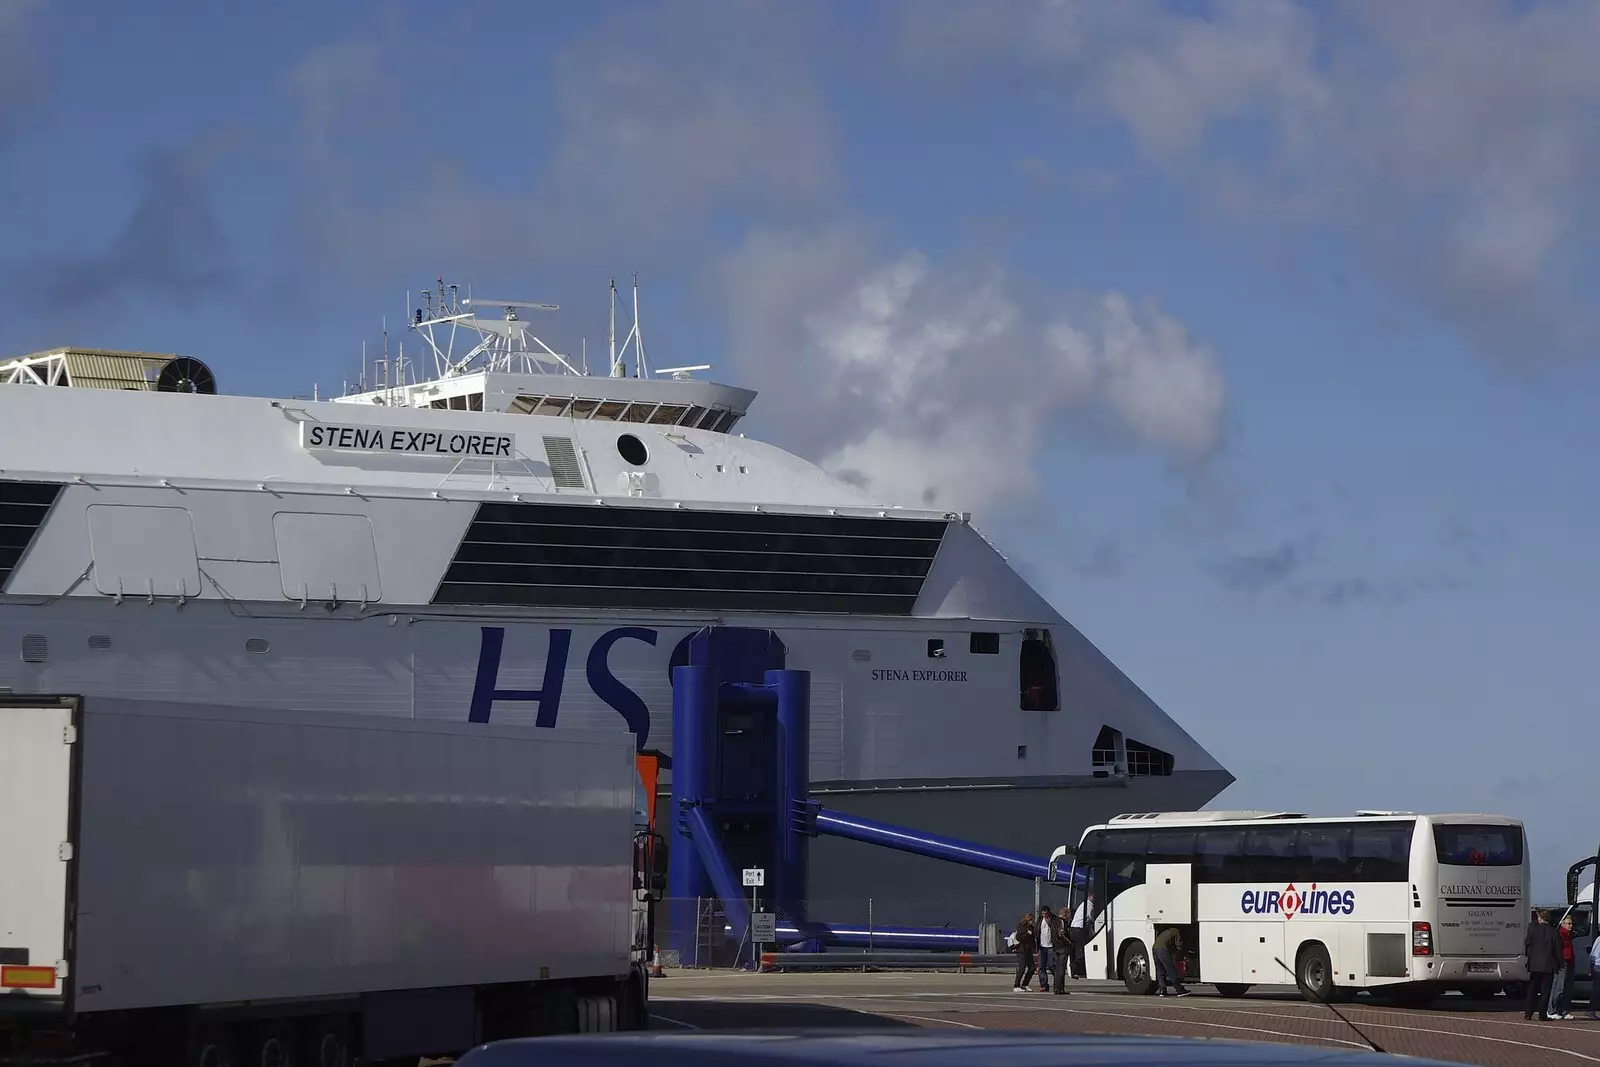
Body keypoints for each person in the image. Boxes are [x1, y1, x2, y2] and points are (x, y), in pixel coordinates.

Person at [1524, 908, 1562, 1021]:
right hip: (1548, 965)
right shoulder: (1553, 932)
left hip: (1535, 964)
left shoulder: (1533, 930)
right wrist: (1560, 963)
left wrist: (1530, 958)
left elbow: (1527, 945)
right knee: (1545, 992)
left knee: (1532, 990)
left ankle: (1528, 1013)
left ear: (1539, 918)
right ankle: (1542, 1014)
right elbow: (1557, 950)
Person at [1153, 926, 1191, 997]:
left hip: (1155, 948)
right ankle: (1179, 990)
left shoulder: (1167, 931)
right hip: (1163, 950)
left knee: (1160, 971)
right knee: (1170, 969)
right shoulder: (1176, 931)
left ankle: (1162, 990)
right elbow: (1178, 945)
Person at [1550, 913, 1576, 1020]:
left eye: (1571, 924)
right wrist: (1560, 961)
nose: (1570, 926)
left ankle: (1564, 1010)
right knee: (1559, 987)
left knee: (1568, 987)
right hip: (1563, 961)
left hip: (1570, 960)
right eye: (1568, 924)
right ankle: (1552, 1010)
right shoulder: (1560, 934)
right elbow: (1557, 949)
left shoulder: (1569, 935)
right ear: (1563, 924)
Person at [1068, 891, 1096, 979]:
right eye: (1094, 896)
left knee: (1077, 951)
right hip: (1079, 930)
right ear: (1091, 896)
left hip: (1074, 929)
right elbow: (1091, 917)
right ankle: (1075, 968)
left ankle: (1076, 970)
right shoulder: (1089, 905)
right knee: (1081, 951)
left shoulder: (1083, 904)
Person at [1011, 913, 1036, 993]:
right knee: (1021, 968)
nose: (1032, 921)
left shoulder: (1031, 928)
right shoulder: (1022, 926)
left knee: (1032, 968)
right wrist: (1027, 934)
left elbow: (1032, 938)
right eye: (1031, 919)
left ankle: (1025, 984)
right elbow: (1018, 937)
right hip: (1022, 950)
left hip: (1029, 950)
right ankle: (1016, 985)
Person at [1036, 905, 1057, 992]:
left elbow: (1056, 928)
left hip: (1051, 946)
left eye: (1046, 913)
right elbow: (1036, 931)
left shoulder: (1053, 919)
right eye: (1043, 913)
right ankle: (1044, 985)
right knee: (1041, 967)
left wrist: (1049, 922)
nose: (1044, 915)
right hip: (1042, 946)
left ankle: (1057, 982)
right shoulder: (1039, 920)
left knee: (1051, 965)